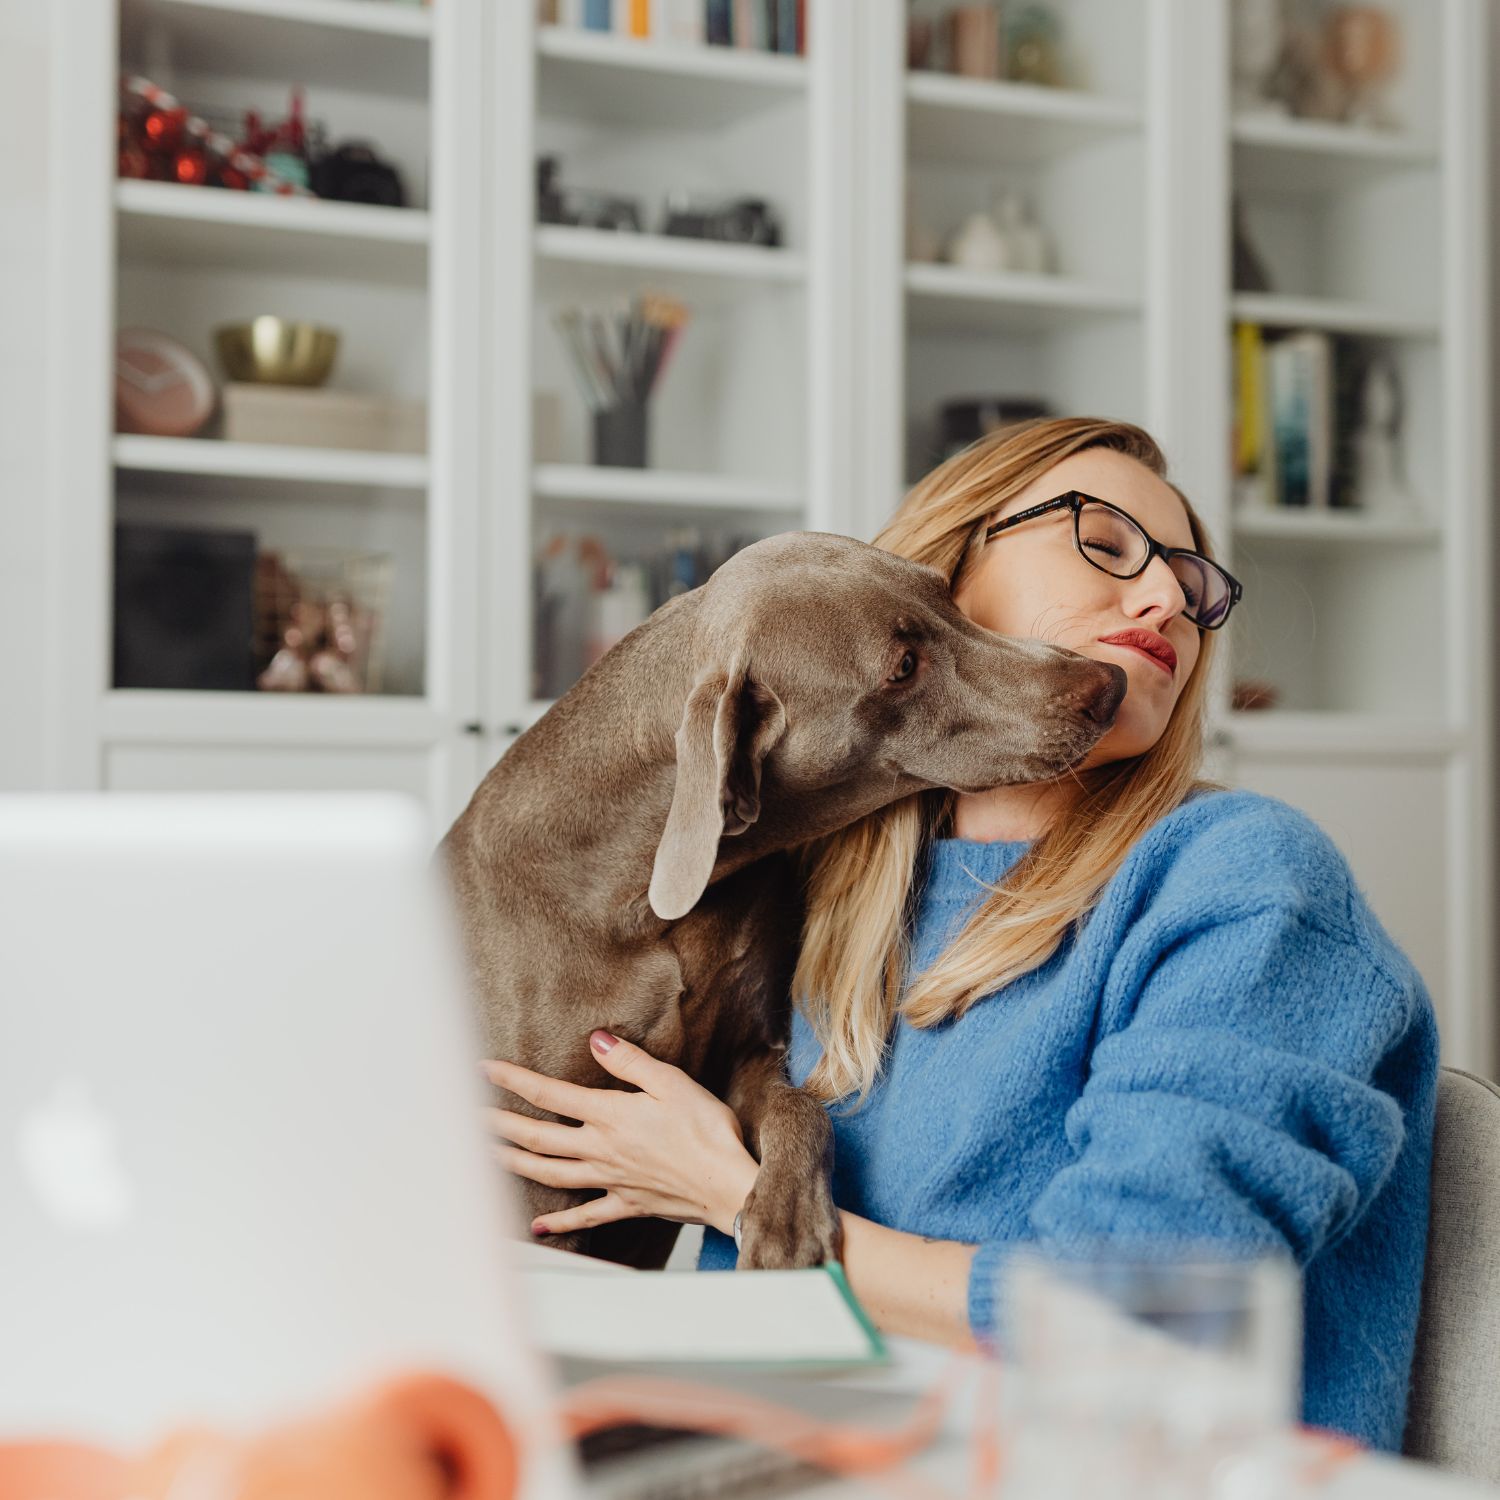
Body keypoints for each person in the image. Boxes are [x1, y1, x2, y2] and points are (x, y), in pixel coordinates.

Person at [484, 416, 1437, 1452]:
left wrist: (732, 1192)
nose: (1166, 597)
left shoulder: (1244, 880)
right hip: (785, 1455)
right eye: (1106, 543)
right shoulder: (821, 898)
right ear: (939, 575)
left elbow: (1148, 1316)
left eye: (1192, 584)